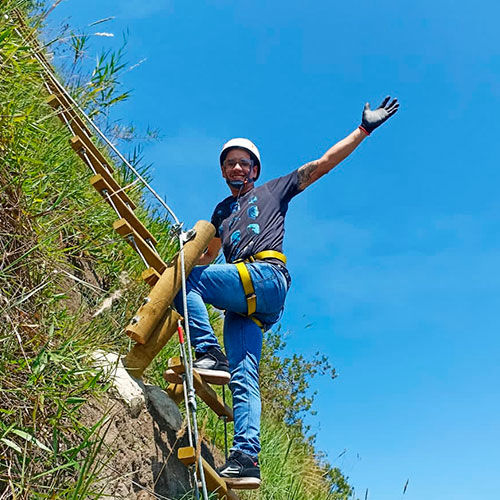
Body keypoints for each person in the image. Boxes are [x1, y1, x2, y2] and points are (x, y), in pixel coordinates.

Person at [172, 96, 399, 487]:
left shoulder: (276, 190)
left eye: (244, 162)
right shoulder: (222, 213)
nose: (237, 167)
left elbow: (322, 164)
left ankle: (209, 352)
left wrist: (363, 129)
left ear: (256, 169)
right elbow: (209, 253)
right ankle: (246, 458)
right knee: (244, 374)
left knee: (184, 282)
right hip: (244, 304)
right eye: (230, 163)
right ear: (224, 172)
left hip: (266, 275)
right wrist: (189, 240)